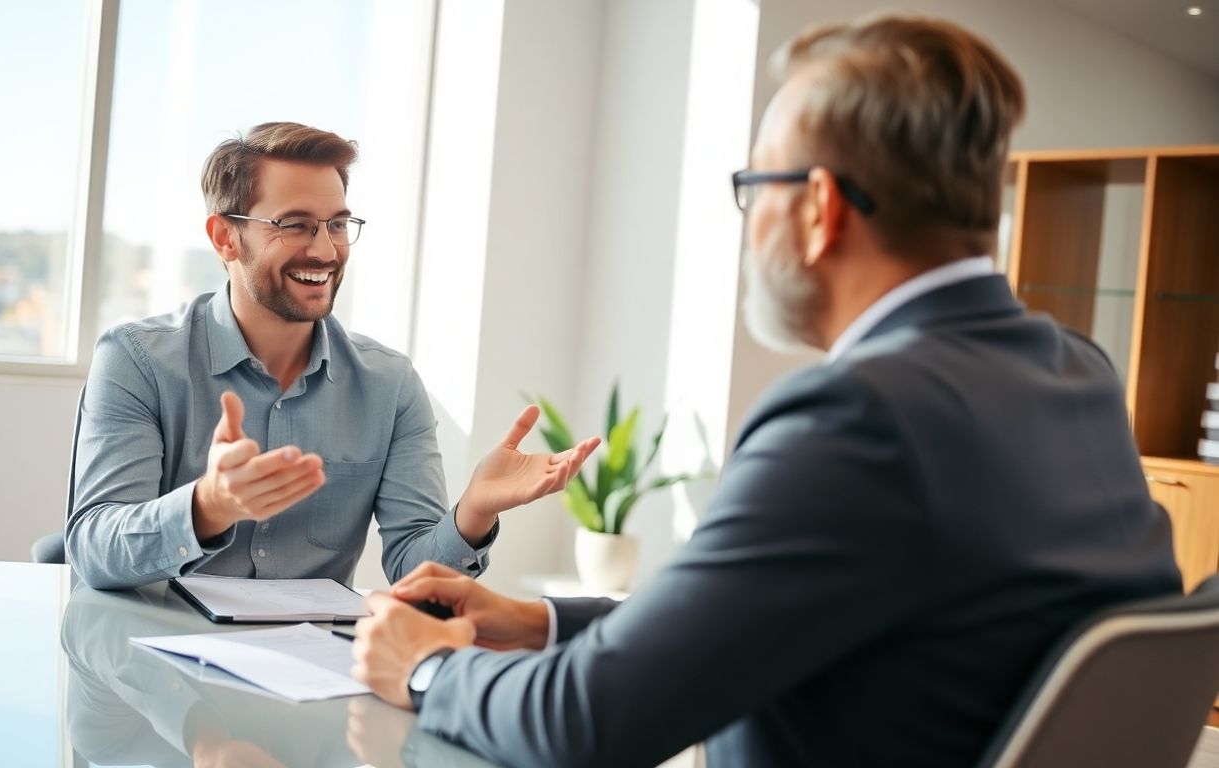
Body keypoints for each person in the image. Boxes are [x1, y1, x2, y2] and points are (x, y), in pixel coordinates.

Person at [349, 14, 1182, 767]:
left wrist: (426, 669)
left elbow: (589, 726)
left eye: (755, 188)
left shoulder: (859, 417)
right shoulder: (1075, 372)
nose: (749, 226)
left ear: (819, 208)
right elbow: (778, 617)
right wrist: (542, 622)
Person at [67, 122, 598, 590]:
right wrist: (208, 506)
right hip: (155, 673)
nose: (324, 251)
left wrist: (473, 514)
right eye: (294, 225)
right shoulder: (136, 360)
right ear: (226, 237)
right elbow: (92, 548)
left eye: (337, 224)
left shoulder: (389, 383)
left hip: (308, 673)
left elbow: (417, 575)